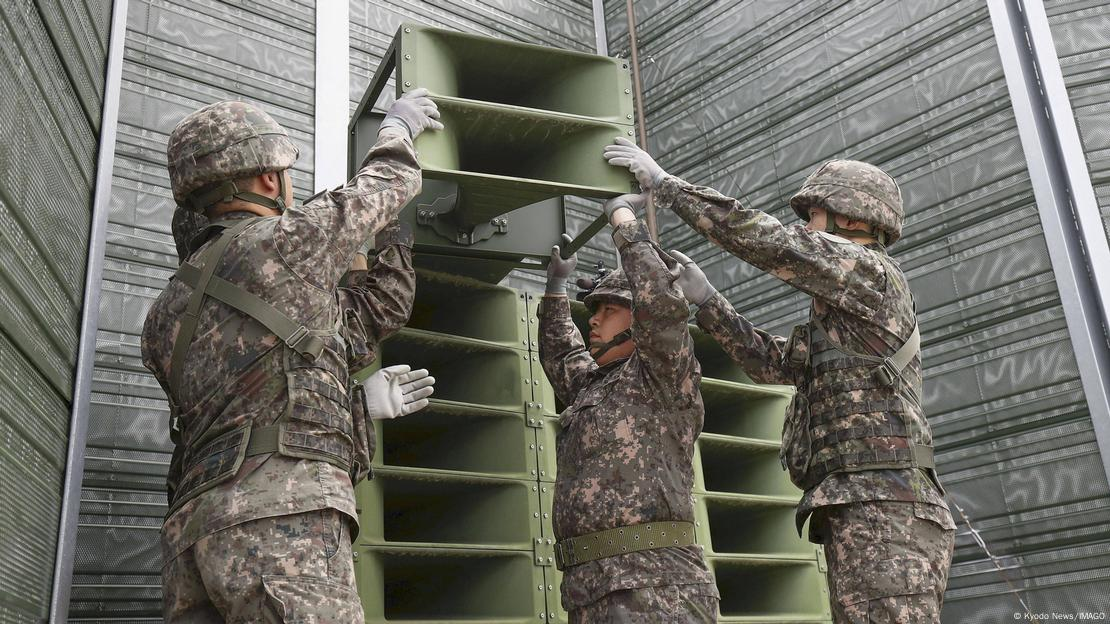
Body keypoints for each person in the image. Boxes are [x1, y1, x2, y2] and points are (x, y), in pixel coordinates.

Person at [605, 140, 955, 622]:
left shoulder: (869, 272)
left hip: (885, 506)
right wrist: (708, 302)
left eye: (813, 216)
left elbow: (772, 242)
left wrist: (667, 187)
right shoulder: (844, 310)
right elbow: (772, 365)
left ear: (850, 218)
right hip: (867, 505)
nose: (806, 228)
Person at [142, 90, 442, 622]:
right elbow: (390, 182)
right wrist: (397, 130)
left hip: (190, 539)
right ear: (266, 179)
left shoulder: (163, 314)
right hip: (281, 520)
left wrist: (353, 407)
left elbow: (242, 409)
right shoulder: (282, 243)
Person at [539, 194, 720, 622]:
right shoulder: (596, 385)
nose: (594, 321)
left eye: (608, 309)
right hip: (592, 591)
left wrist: (622, 220)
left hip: (657, 591)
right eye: (594, 311)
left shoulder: (662, 376)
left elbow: (660, 300)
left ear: (640, 317)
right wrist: (555, 290)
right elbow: (562, 356)